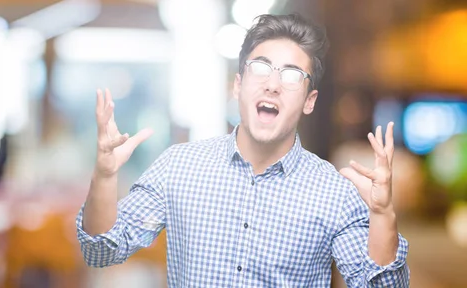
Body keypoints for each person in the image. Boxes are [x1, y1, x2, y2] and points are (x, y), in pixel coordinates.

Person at [75, 13, 409, 287]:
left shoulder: (334, 192)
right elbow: (100, 252)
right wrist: (104, 175)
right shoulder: (179, 166)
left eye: (291, 74)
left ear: (309, 101)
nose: (273, 84)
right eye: (261, 68)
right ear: (238, 85)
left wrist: (383, 215)